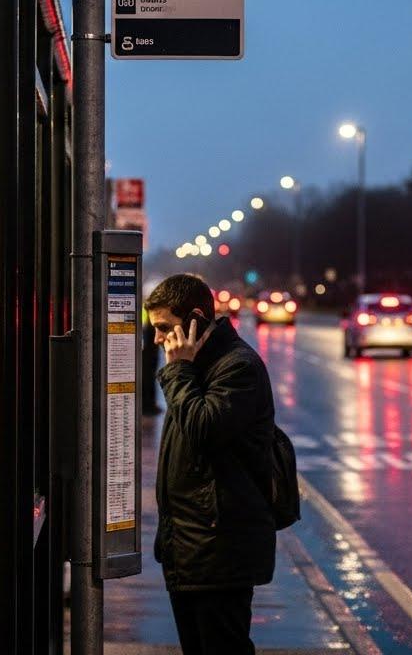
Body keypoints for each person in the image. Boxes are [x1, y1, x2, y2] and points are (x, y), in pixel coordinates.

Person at [145, 273, 276, 655]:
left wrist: (179, 372)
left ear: (196, 319)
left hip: (220, 552)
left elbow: (205, 429)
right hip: (189, 550)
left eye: (165, 328)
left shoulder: (237, 368)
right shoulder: (197, 366)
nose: (157, 340)